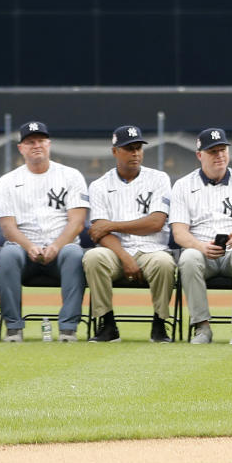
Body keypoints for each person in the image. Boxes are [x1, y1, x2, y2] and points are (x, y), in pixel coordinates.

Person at [0, 122, 89, 342]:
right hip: (23, 251)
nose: (36, 146)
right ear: (21, 148)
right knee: (7, 255)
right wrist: (29, 246)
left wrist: (56, 246)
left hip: (62, 249)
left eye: (41, 141)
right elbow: (7, 227)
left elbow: (77, 222)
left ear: (49, 144)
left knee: (75, 254)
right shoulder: (7, 181)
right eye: (30, 142)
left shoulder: (71, 176)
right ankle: (14, 327)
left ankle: (68, 329)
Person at [82, 125, 176, 343]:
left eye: (138, 148)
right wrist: (125, 257)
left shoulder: (159, 179)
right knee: (93, 257)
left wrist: (111, 225)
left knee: (165, 263)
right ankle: (107, 324)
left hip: (153, 250)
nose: (135, 153)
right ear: (115, 151)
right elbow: (99, 233)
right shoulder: (99, 185)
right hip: (114, 253)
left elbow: (155, 222)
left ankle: (160, 324)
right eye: (129, 148)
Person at [170, 128, 232, 345]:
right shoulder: (183, 185)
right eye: (213, 151)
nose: (219, 155)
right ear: (199, 155)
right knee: (188, 257)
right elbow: (179, 232)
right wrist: (201, 246)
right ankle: (202, 328)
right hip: (201, 251)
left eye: (223, 150)